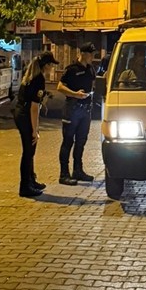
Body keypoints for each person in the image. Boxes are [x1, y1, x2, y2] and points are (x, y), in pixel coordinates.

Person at [12, 51, 58, 197]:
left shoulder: (31, 76)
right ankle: (25, 186)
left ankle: (31, 180)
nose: (52, 68)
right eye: (51, 65)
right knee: (29, 151)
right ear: (46, 65)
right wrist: (35, 129)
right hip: (25, 115)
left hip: (20, 113)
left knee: (29, 151)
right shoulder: (38, 80)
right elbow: (34, 108)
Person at [56, 42, 97, 185]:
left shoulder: (91, 69)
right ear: (83, 54)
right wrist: (75, 94)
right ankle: (64, 174)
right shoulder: (72, 69)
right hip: (72, 109)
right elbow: (60, 87)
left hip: (86, 110)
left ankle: (78, 171)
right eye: (91, 54)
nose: (93, 57)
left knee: (81, 142)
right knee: (68, 141)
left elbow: (93, 84)